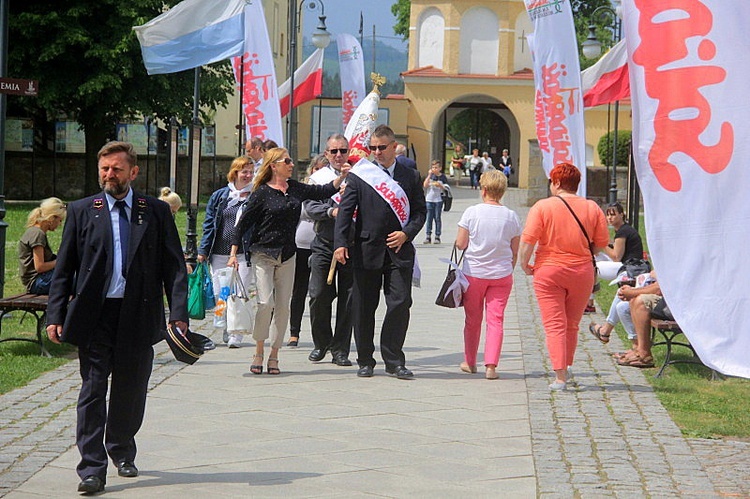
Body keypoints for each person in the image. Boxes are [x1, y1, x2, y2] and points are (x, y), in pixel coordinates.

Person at [45, 141, 188, 495]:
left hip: (139, 314)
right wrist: (56, 314)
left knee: (131, 389)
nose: (110, 175)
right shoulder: (82, 210)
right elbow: (65, 268)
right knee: (93, 391)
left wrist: (179, 315)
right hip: (96, 316)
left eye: (117, 170)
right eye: (105, 169)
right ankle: (91, 468)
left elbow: (174, 267)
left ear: (133, 172)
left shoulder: (153, 211)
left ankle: (122, 449)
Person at [231, 148, 348, 375]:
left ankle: (275, 354)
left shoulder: (294, 188)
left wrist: (342, 177)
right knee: (265, 303)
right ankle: (258, 350)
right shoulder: (262, 192)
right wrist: (234, 254)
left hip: (287, 255)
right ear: (274, 165)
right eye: (287, 161)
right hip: (263, 254)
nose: (292, 164)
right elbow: (243, 224)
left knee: (283, 307)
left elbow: (321, 190)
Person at [333, 125, 427, 379]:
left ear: (394, 147)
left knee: (400, 303)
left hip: (399, 250)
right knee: (363, 307)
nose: (376, 152)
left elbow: (420, 211)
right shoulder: (361, 175)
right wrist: (340, 243)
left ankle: (394, 360)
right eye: (372, 148)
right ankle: (365, 359)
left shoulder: (410, 175)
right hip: (366, 250)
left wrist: (407, 232)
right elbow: (345, 211)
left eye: (381, 147)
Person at [518, 162, 608, 391]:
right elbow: (600, 244)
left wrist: (524, 264)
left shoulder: (542, 207)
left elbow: (528, 241)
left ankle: (560, 377)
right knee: (572, 324)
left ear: (557, 183)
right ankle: (566, 366)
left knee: (554, 324)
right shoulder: (592, 208)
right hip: (581, 271)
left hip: (549, 270)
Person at [455, 170, 521, 380]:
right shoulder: (511, 216)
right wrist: (507, 268)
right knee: (496, 320)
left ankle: (470, 361)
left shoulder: (472, 212)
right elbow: (514, 250)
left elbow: (461, 243)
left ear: (483, 190)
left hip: (474, 273)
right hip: (501, 274)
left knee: (472, 320)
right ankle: (491, 366)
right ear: (502, 192)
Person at [305, 134, 356, 366]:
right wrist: (332, 211)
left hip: (351, 244)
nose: (338, 155)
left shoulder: (360, 176)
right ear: (326, 154)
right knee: (317, 295)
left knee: (349, 299)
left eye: (343, 151)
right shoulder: (318, 178)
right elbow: (310, 206)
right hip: (325, 242)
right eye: (333, 151)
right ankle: (321, 343)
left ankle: (340, 348)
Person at [197, 156, 255, 348]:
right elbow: (209, 224)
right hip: (219, 253)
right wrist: (203, 250)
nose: (248, 175)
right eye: (244, 171)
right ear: (235, 173)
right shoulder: (221, 196)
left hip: (243, 253)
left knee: (239, 292)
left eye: (250, 172)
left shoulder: (254, 195)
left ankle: (236, 333)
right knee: (220, 293)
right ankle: (226, 324)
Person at [288, 155, 328, 347]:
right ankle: (294, 331)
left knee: (319, 292)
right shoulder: (302, 189)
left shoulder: (329, 190)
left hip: (322, 245)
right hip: (300, 245)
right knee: (299, 289)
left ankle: (322, 335)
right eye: (316, 169)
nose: (318, 172)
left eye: (323, 169)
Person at [588, 202, 646, 333]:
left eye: (613, 214)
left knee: (592, 266)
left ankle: (590, 300)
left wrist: (602, 243)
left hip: (629, 267)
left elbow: (616, 257)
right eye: (607, 215)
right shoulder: (622, 230)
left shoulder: (623, 231)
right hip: (629, 264)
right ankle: (590, 299)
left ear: (622, 214)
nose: (610, 218)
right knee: (592, 259)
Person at [615, 271, 663, 369]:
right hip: (674, 300)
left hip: (682, 306)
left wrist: (632, 292)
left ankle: (644, 354)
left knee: (640, 302)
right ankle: (638, 349)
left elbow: (659, 288)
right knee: (632, 301)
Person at [18, 197, 66, 295]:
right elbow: (40, 267)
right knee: (77, 279)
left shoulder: (35, 231)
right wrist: (61, 261)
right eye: (60, 220)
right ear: (52, 218)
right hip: (37, 282)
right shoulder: (38, 234)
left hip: (40, 280)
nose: (60, 224)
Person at [422, 159, 448, 244]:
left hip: (438, 200)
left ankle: (437, 236)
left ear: (440, 168)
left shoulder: (442, 177)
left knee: (437, 218)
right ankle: (428, 236)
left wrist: (440, 185)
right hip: (429, 199)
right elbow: (425, 185)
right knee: (429, 218)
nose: (434, 169)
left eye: (436, 167)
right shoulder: (431, 176)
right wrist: (429, 175)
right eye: (433, 167)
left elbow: (446, 188)